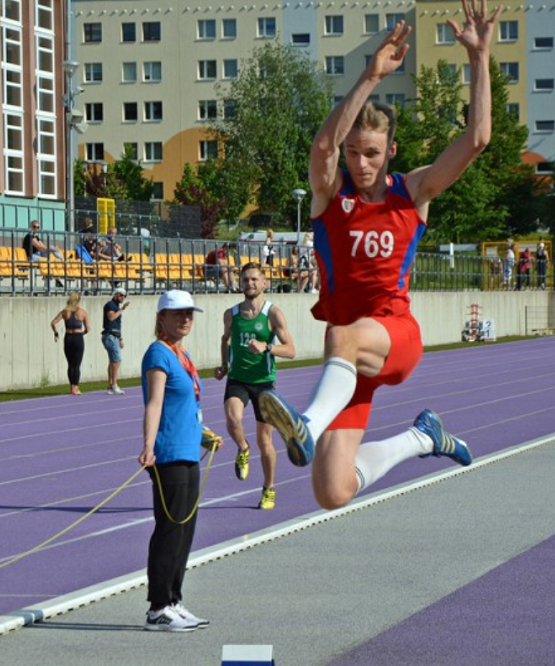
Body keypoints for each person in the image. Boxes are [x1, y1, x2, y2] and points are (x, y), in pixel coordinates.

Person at [257, 4, 494, 511]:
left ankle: (308, 423)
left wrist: (479, 58)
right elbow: (322, 145)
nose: (360, 163)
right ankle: (424, 438)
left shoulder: (413, 192)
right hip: (347, 353)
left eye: (371, 153)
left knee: (342, 336)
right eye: (354, 153)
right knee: (331, 491)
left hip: (393, 334)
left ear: (390, 151)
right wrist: (369, 75)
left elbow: (476, 140)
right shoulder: (328, 197)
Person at [139, 289, 212, 632]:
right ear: (162, 318)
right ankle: (157, 607)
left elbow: (185, 407)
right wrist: (148, 445)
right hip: (168, 454)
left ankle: (173, 600)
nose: (186, 319)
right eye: (179, 313)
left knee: (185, 531)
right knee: (170, 530)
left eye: (190, 314)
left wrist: (204, 434)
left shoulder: (181, 353)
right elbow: (154, 403)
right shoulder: (159, 354)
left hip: (188, 450)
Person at [214, 262, 296, 510]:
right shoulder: (231, 314)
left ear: (264, 283)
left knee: (265, 441)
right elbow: (225, 339)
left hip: (263, 383)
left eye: (254, 280)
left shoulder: (273, 314)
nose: (250, 283)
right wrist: (224, 365)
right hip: (238, 378)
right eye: (246, 279)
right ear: (240, 282)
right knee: (233, 419)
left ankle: (269, 489)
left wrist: (267, 346)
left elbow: (291, 350)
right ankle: (242, 447)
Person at [51, 291, 90, 395]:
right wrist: (83, 333)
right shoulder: (82, 312)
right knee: (77, 364)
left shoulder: (65, 312)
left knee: (70, 364)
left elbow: (53, 322)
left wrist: (55, 332)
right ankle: (75, 387)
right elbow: (87, 328)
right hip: (78, 338)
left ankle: (71, 386)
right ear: (78, 300)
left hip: (68, 337)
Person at [102, 287, 130, 395]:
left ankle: (110, 385)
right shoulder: (110, 305)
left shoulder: (116, 306)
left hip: (114, 336)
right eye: (121, 295)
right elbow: (111, 317)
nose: (123, 298)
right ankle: (114, 384)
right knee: (117, 360)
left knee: (113, 361)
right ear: (116, 295)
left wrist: (120, 338)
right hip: (110, 336)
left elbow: (117, 325)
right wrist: (122, 309)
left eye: (124, 296)